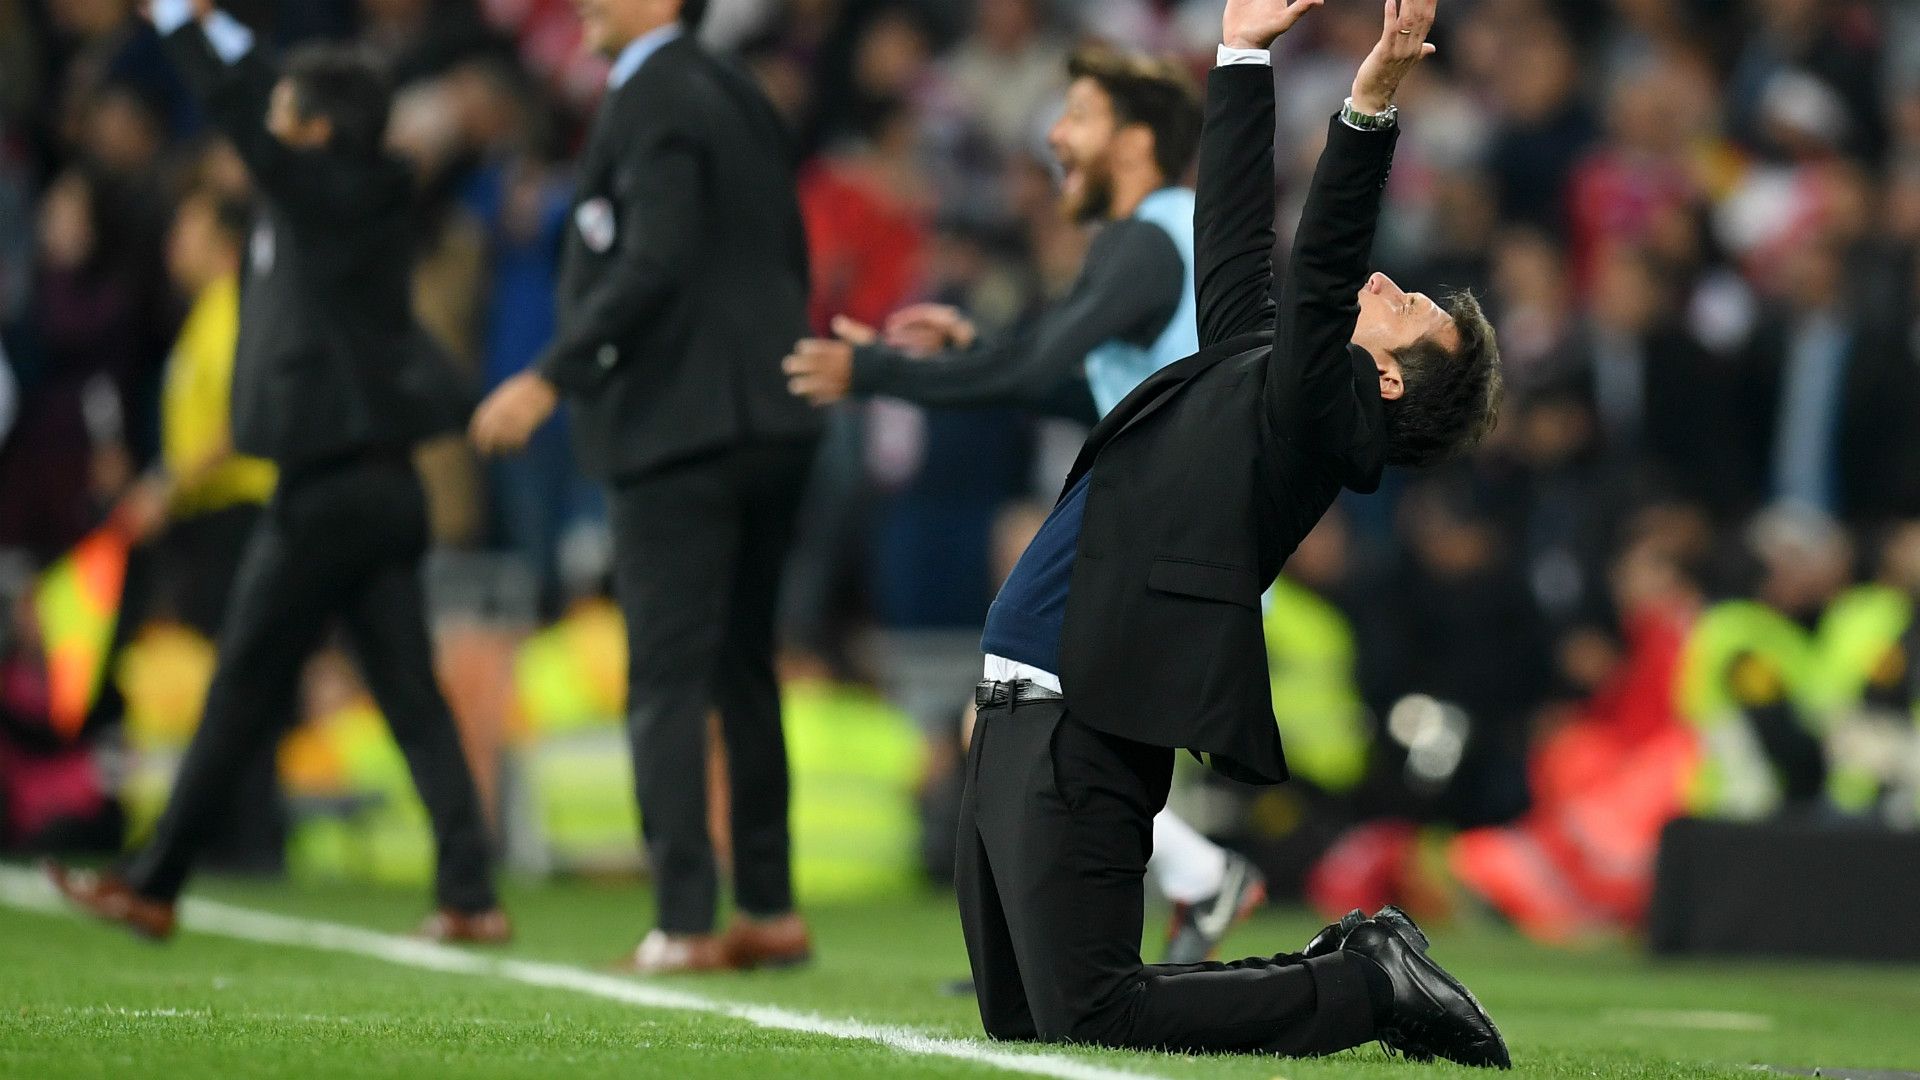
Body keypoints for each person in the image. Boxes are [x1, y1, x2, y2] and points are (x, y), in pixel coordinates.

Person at [941, 0, 1508, 1062]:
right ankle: (1360, 963)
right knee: (1025, 1017)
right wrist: (1240, 53)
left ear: (1386, 377)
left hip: (1084, 702)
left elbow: (1328, 253)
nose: (1384, 283)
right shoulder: (1263, 376)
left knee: (1090, 1014)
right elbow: (1236, 231)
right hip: (1020, 697)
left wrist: (1370, 102)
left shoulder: (1308, 422)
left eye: (1407, 305)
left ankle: (1363, 990)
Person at [784, 44, 1266, 965]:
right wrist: (974, 345)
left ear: (1131, 140)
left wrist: (879, 370)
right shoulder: (1167, 238)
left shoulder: (1146, 239)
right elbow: (1081, 388)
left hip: (1159, 542)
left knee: (1009, 716)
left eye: (1077, 114)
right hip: (1183, 543)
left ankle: (1128, 912)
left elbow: (1044, 366)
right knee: (1019, 728)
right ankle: (1154, 898)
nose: (1055, 135)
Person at [47, 0, 506, 945]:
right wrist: (219, 25)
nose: (265, 122)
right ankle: (470, 893)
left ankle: (155, 879)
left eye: (285, 110)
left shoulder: (341, 192)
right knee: (409, 695)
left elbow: (231, 95)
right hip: (371, 481)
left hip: (331, 484)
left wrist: (177, 18)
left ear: (320, 132)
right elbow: (252, 87)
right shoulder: (322, 202)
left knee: (244, 682)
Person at [469, 0, 823, 974]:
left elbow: (653, 258)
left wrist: (552, 374)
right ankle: (769, 905)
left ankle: (683, 919)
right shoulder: (739, 89)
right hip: (773, 419)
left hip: (682, 429)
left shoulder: (652, 93)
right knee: (743, 670)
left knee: (666, 676)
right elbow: (782, 249)